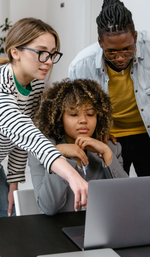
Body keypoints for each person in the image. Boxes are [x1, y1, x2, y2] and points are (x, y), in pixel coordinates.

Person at [0, 18, 88, 257]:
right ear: (15, 52)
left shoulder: (35, 84)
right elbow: (27, 134)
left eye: (52, 54)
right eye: (41, 53)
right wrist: (72, 175)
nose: (48, 62)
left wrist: (13, 181)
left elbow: (18, 141)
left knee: (15, 229)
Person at [69, 0, 150, 176]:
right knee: (115, 193)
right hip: (111, 138)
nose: (120, 58)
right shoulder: (81, 65)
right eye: (111, 52)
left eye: (127, 49)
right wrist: (97, 131)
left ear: (135, 36)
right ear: (100, 43)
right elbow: (75, 108)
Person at [29, 79, 128, 215]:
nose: (83, 120)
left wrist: (107, 153)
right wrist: (60, 155)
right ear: (59, 117)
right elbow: (48, 208)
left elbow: (126, 200)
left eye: (90, 114)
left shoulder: (111, 147)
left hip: (101, 229)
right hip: (58, 230)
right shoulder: (42, 149)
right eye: (74, 114)